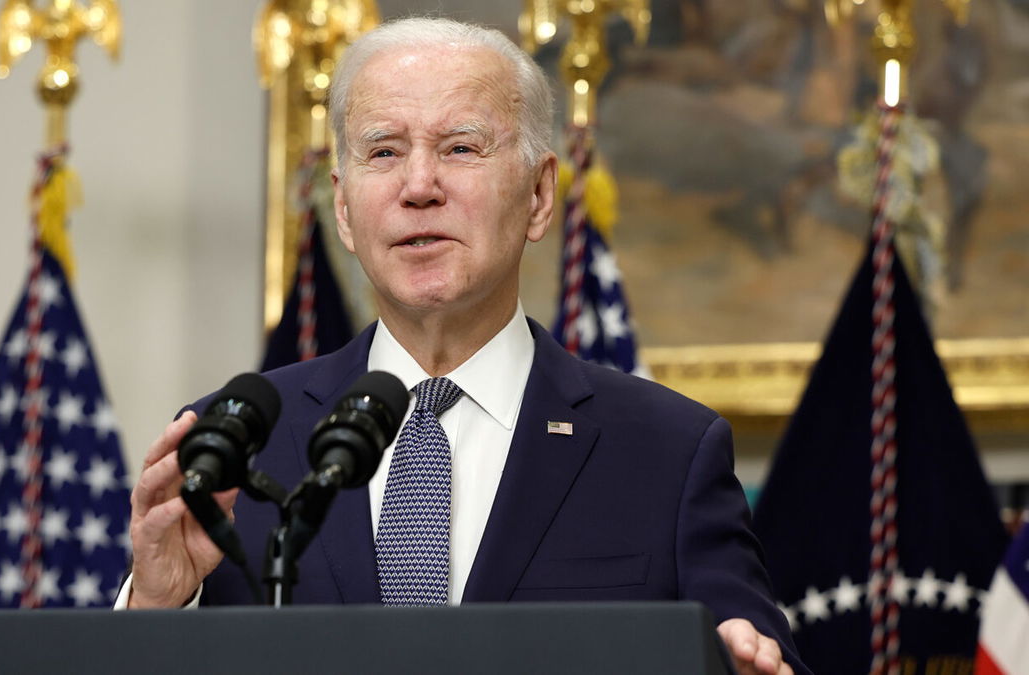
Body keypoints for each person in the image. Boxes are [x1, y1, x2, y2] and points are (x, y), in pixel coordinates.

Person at [121, 17, 806, 675]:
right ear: (343, 208)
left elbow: (751, 652)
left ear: (539, 196)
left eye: (460, 147)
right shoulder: (234, 450)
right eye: (384, 151)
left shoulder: (668, 453)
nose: (418, 187)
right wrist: (158, 604)